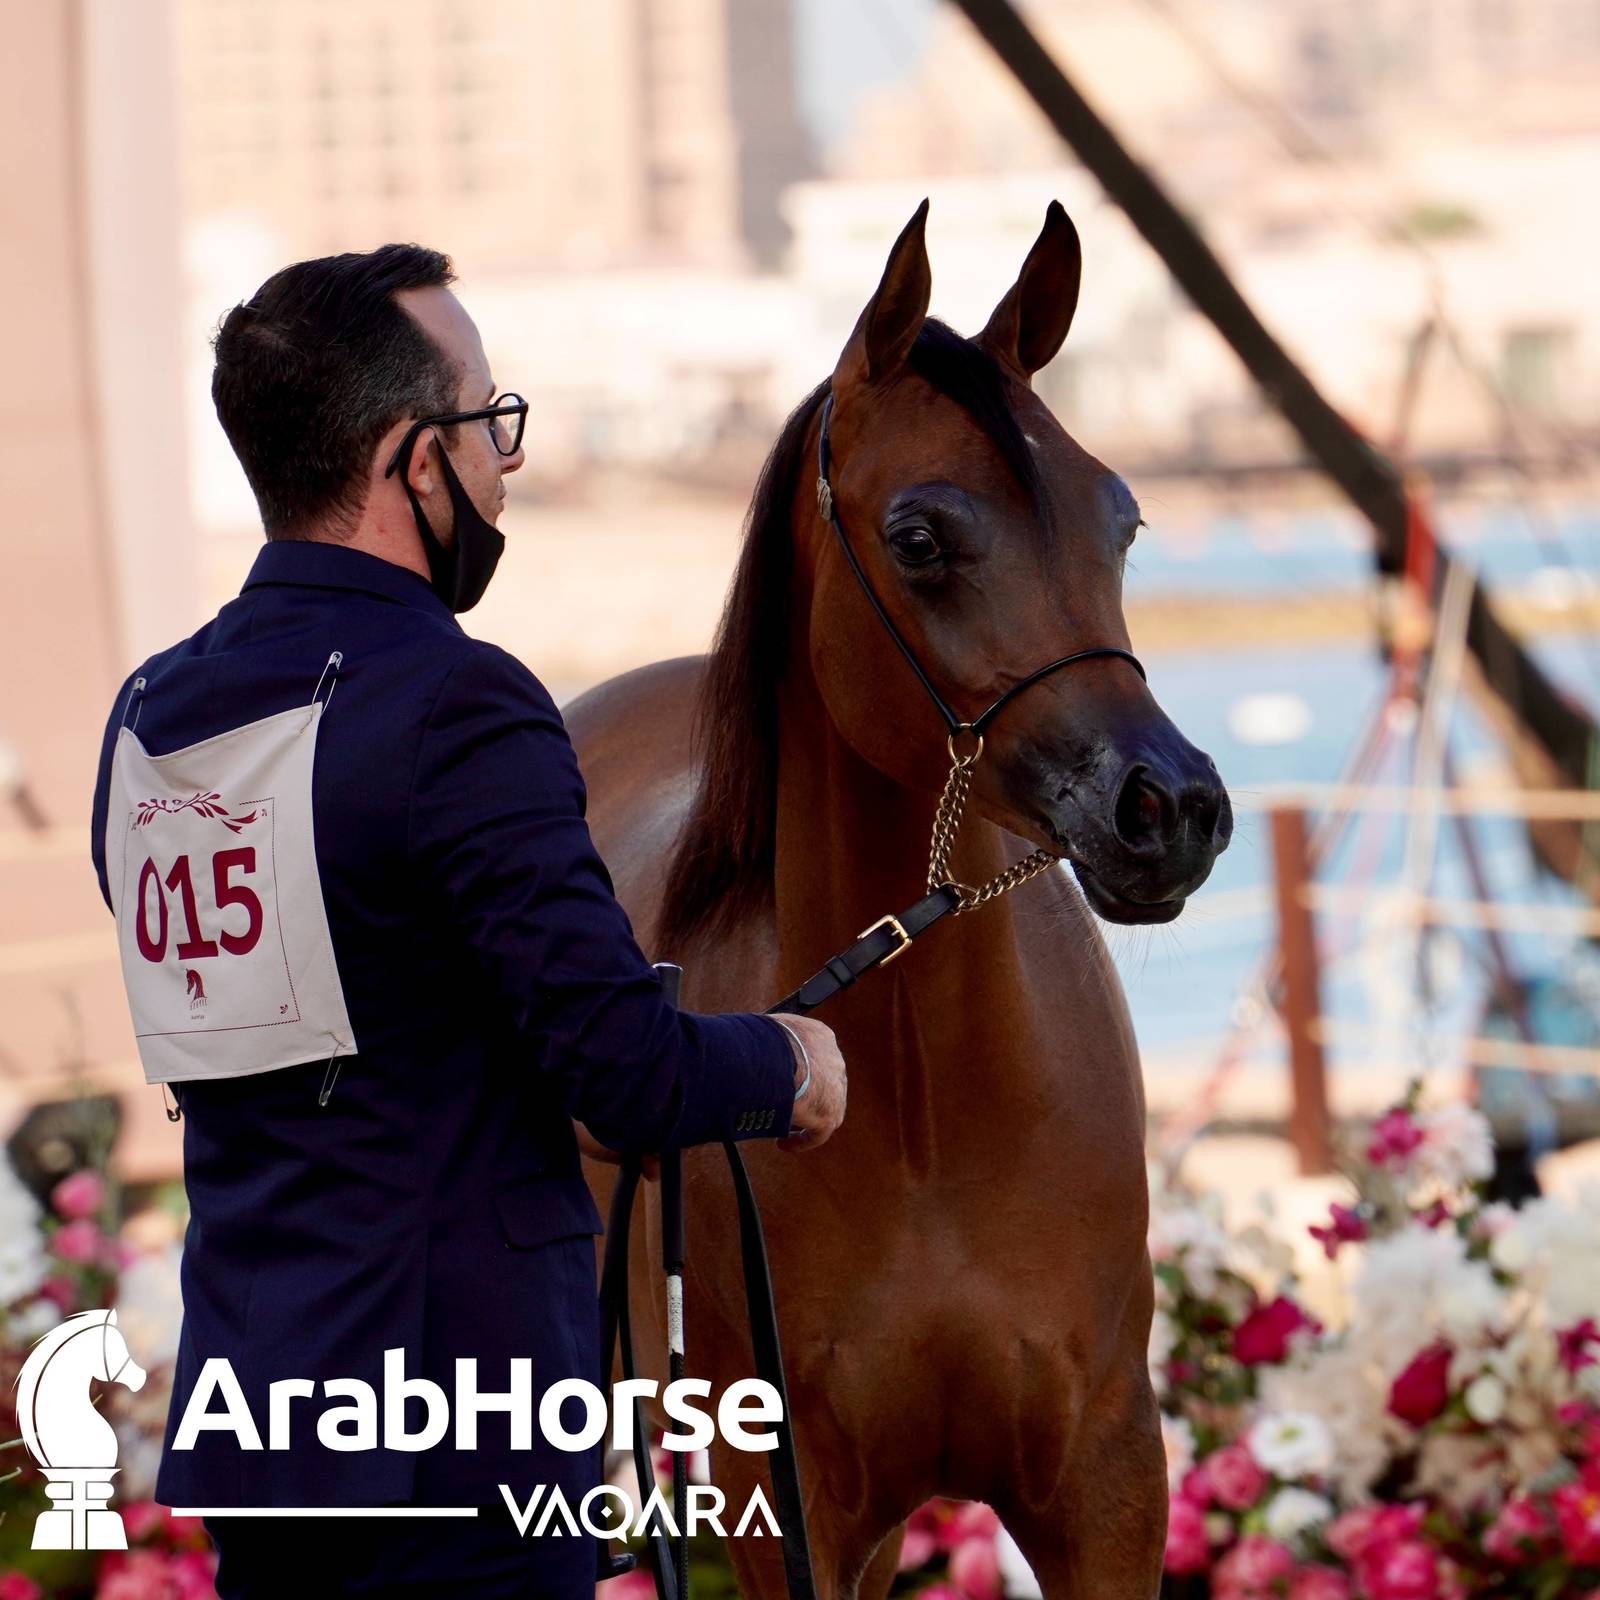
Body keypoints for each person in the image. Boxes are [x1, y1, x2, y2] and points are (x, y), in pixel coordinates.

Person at [89, 244, 847, 1598]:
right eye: (488, 422)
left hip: (263, 1425)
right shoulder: (457, 702)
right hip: (449, 1450)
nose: (507, 463)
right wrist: (788, 1063)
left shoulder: (152, 713)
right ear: (410, 459)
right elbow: (625, 1071)